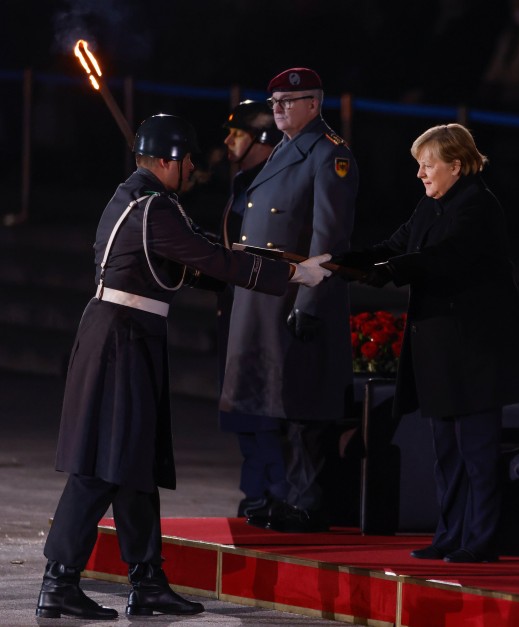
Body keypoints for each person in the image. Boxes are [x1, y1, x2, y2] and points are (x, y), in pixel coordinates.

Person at [36, 114, 332, 620]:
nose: (193, 166)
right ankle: (58, 581)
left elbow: (198, 262)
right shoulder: (152, 207)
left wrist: (251, 261)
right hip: (121, 339)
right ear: (169, 160)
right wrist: (292, 274)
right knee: (102, 466)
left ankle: (147, 580)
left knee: (134, 464)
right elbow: (209, 260)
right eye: (188, 159)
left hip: (129, 333)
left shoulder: (141, 200)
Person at [332, 123, 519, 563]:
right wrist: (343, 261)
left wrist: (388, 271)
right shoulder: (431, 205)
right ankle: (449, 535)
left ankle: (480, 541)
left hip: (478, 354)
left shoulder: (479, 207)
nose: (420, 175)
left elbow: (445, 257)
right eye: (419, 166)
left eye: (428, 166)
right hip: (442, 355)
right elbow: (396, 243)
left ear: (456, 166)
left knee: (478, 455)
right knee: (446, 453)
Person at [220, 67, 358, 533]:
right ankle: (276, 496)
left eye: (288, 101)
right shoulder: (285, 149)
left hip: (293, 297)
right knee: (271, 403)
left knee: (302, 408)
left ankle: (307, 504)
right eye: (274, 100)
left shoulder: (327, 155)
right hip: (263, 296)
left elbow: (329, 238)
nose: (276, 107)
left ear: (314, 105)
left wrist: (310, 303)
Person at [214, 100, 288, 518]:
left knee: (263, 408)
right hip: (236, 307)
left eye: (236, 133)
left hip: (261, 311)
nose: (227, 140)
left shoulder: (272, 184)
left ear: (261, 138)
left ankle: (273, 491)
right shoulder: (244, 182)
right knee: (244, 407)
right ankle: (256, 489)